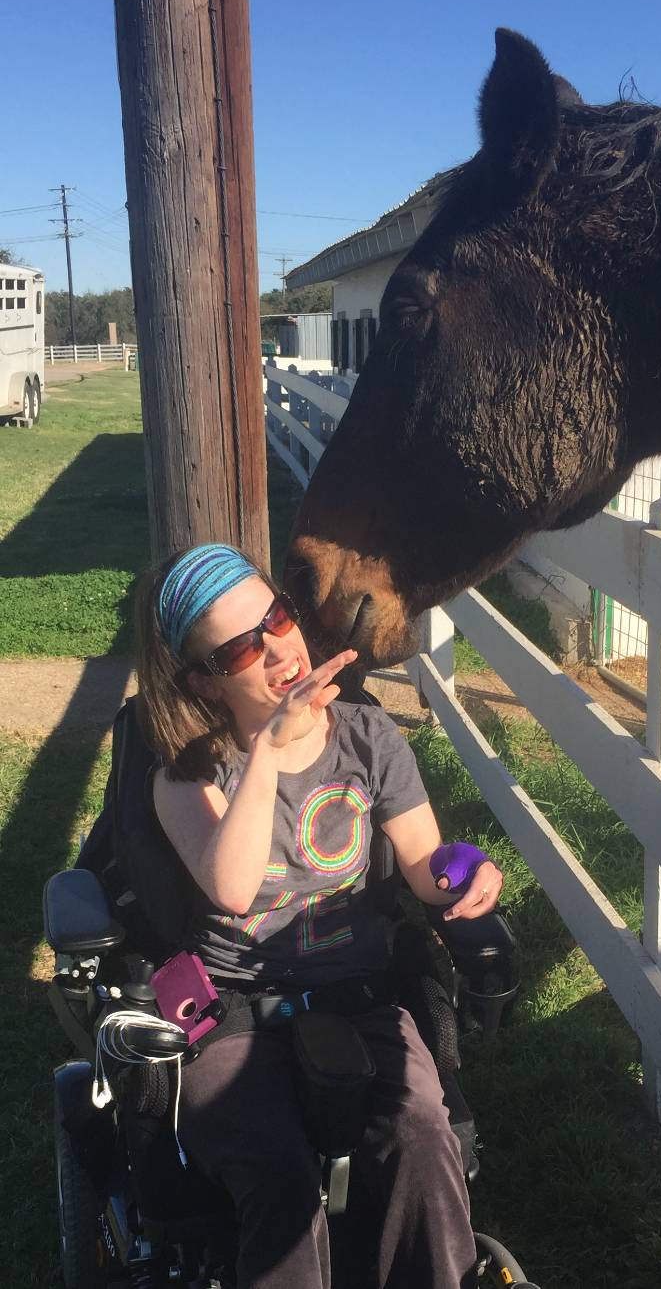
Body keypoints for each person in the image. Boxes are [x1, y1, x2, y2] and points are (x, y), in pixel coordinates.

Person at [134, 542, 504, 1289]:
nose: (276, 652)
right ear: (205, 682)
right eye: (240, 648)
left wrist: (467, 869)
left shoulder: (369, 738)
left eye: (276, 617)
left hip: (356, 992)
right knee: (280, 1177)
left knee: (426, 1139)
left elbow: (427, 868)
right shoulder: (188, 775)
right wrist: (267, 752)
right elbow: (232, 889)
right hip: (232, 1013)